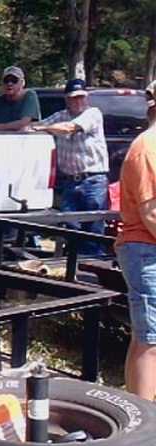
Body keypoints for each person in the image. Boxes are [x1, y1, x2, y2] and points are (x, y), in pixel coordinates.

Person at [29, 78, 110, 256]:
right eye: (74, 97)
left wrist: (42, 128)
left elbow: (68, 128)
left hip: (93, 181)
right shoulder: (60, 116)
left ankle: (93, 265)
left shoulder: (93, 114)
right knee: (71, 227)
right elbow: (34, 127)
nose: (78, 101)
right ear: (67, 99)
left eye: (81, 97)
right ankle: (75, 265)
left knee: (93, 230)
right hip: (69, 182)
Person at [115, 80, 156, 401]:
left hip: (146, 248)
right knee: (152, 341)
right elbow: (151, 213)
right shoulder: (148, 148)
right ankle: (146, 422)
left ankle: (135, 408)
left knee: (144, 337)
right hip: (145, 250)